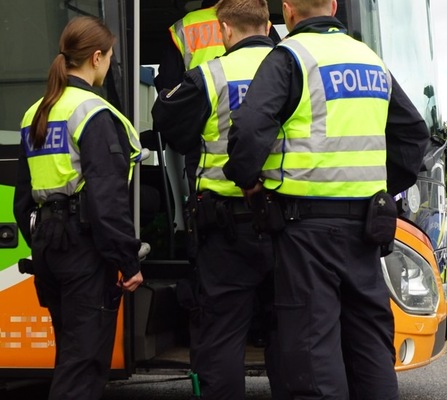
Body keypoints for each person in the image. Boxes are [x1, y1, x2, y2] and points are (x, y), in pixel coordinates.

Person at [224, 0, 430, 398]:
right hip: (367, 226)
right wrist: (378, 185)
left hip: (306, 230)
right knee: (369, 345)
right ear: (333, 5)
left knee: (313, 350)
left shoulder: (290, 58)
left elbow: (249, 130)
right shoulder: (369, 58)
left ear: (287, 12)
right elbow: (414, 136)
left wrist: (248, 180)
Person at [151, 0, 285, 398]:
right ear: (269, 22)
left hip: (223, 221)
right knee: (290, 331)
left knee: (222, 335)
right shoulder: (293, 65)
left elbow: (167, 118)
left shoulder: (198, 52)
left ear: (225, 28)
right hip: (287, 221)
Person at [13, 16, 144, 400]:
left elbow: (24, 200)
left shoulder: (35, 112)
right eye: (111, 58)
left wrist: (41, 241)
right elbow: (107, 198)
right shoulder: (91, 112)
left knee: (71, 355)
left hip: (49, 249)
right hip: (83, 250)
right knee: (84, 366)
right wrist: (128, 259)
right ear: (97, 57)